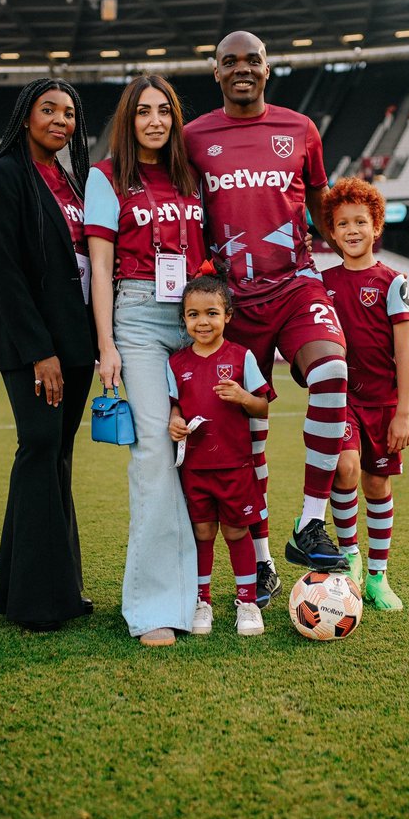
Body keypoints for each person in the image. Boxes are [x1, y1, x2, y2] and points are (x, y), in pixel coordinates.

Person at [184, 30, 349, 595]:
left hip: (296, 285)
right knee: (244, 436)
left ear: (268, 67)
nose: (241, 70)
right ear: (216, 72)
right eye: (229, 62)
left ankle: (308, 521)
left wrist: (355, 260)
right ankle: (260, 561)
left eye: (251, 60)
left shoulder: (300, 129)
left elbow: (325, 206)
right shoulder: (193, 137)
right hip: (232, 302)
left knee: (331, 371)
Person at [85, 74, 206, 647]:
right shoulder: (106, 177)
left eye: (165, 111)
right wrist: (105, 345)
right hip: (136, 319)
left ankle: (202, 594)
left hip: (195, 319)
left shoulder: (192, 178)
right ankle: (154, 609)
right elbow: (100, 269)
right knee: (155, 455)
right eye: (143, 112)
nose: (155, 121)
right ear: (128, 120)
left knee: (203, 452)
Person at [0, 78, 96, 633]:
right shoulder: (1, 178)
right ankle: (41, 603)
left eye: (69, 113)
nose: (61, 121)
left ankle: (25, 590)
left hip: (75, 343)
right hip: (36, 347)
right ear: (26, 116)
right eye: (49, 109)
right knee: (40, 447)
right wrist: (39, 351)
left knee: (55, 456)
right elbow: (4, 273)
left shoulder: (71, 182)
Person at [322, 178, 409, 610]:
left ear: (376, 227)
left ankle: (378, 576)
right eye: (343, 223)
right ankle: (350, 555)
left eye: (361, 221)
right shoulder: (322, 283)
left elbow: (404, 354)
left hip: (384, 404)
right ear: (333, 232)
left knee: (377, 487)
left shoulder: (392, 282)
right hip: (341, 400)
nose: (353, 230)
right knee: (344, 468)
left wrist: (404, 414)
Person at [167, 272, 273, 638]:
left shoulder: (241, 357)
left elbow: (263, 407)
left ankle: (247, 602)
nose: (202, 322)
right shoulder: (177, 363)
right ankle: (202, 601)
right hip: (196, 467)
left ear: (228, 315)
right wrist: (175, 422)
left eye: (211, 313)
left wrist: (243, 397)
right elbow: (175, 408)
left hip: (235, 465)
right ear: (184, 319)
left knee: (236, 530)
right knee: (202, 531)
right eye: (193, 315)